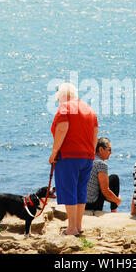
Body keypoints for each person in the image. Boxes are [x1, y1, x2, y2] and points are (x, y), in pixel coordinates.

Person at [49, 83, 98, 236]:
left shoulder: (65, 108)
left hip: (69, 156)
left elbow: (62, 128)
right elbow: (95, 135)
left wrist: (54, 152)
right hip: (87, 157)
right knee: (80, 190)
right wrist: (90, 153)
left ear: (61, 97)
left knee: (69, 189)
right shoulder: (90, 110)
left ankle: (71, 228)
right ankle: (78, 226)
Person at [86, 137, 121, 212]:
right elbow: (105, 190)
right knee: (114, 178)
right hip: (92, 204)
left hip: (82, 201)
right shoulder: (101, 164)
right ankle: (114, 209)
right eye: (109, 150)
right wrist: (117, 200)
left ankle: (113, 206)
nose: (111, 153)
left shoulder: (87, 159)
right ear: (101, 149)